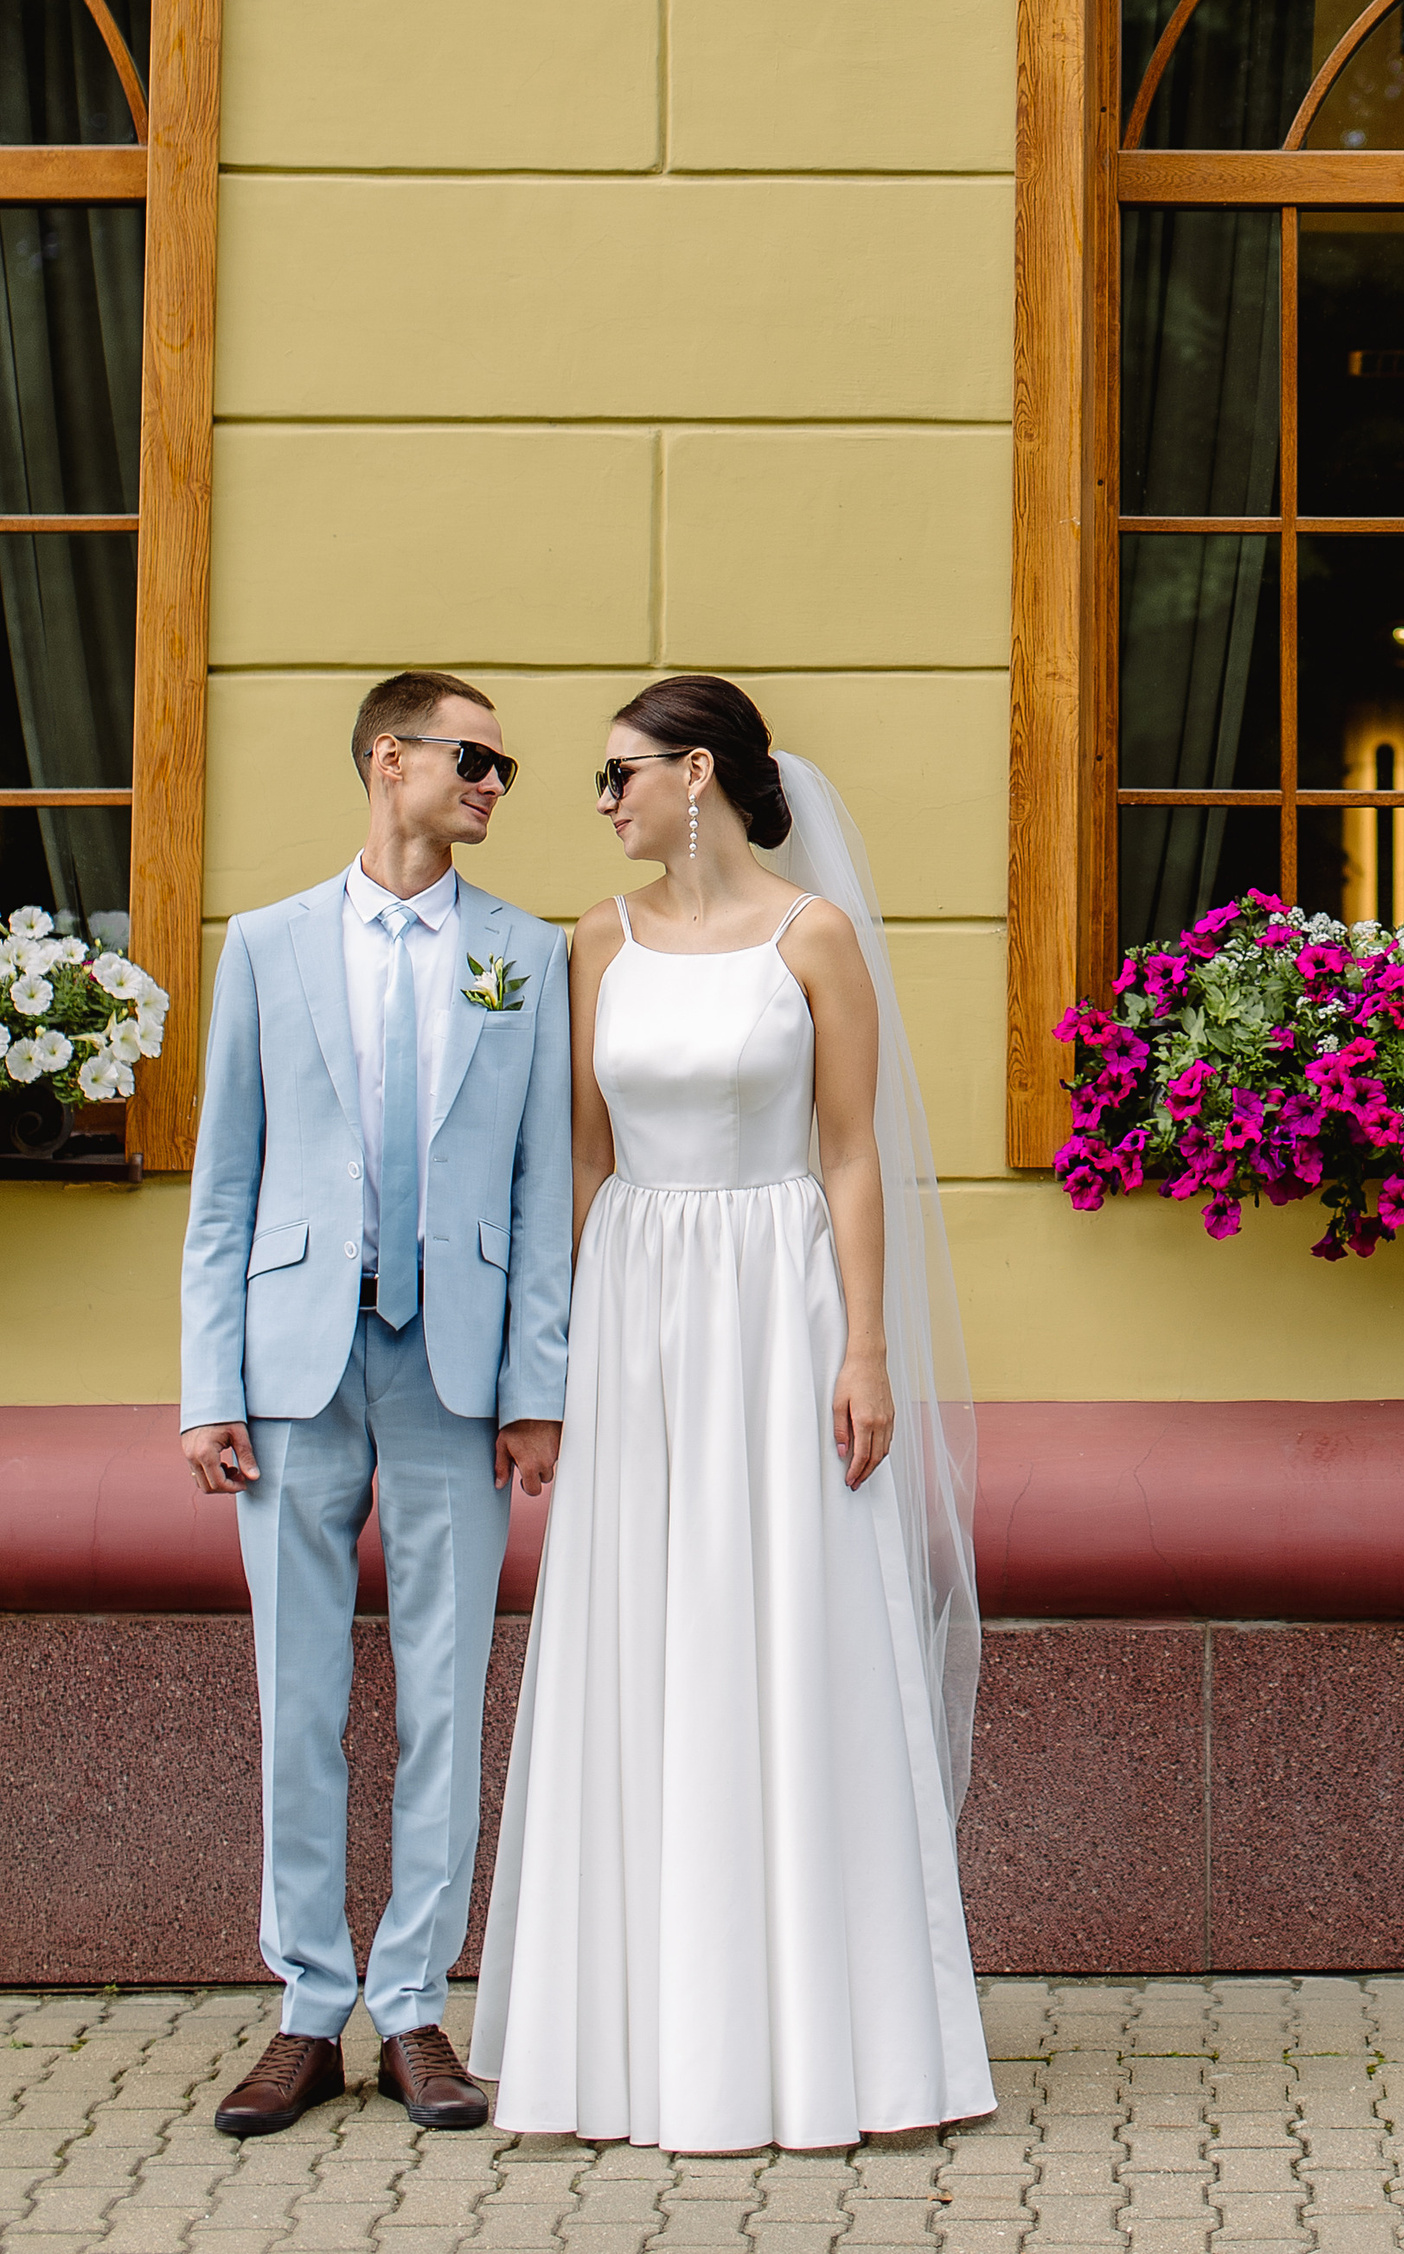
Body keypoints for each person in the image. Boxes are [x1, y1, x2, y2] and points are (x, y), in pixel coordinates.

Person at [469, 676, 990, 2153]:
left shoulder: (811, 935)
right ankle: (630, 2042)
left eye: (616, 772)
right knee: (644, 1628)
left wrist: (867, 1345)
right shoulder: (593, 942)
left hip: (782, 1303)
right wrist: (551, 1361)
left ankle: (837, 2041)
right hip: (641, 1301)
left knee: (791, 1625)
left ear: (697, 773)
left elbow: (851, 1156)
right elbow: (577, 1161)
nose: (600, 799)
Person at [178, 672, 571, 2139]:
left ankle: (414, 2002)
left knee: (445, 1694)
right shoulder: (269, 944)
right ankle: (303, 2005)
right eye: (473, 757)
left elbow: (542, 1199)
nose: (493, 781)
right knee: (302, 1696)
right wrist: (205, 1383)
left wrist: (538, 1387)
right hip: (291, 1370)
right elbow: (223, 1187)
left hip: (454, 1379)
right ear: (388, 760)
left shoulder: (524, 955)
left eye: (507, 765)